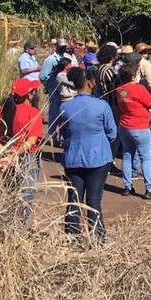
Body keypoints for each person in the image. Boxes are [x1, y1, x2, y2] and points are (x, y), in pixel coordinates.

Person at [59, 67, 117, 243]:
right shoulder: (102, 105)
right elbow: (112, 132)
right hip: (98, 157)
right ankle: (97, 239)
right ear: (90, 82)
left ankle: (72, 238)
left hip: (73, 157)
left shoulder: (66, 106)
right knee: (94, 201)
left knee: (74, 201)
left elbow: (62, 133)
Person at [0, 78, 43, 225]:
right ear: (30, 95)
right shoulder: (34, 113)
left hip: (5, 158)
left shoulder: (0, 111)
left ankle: (6, 226)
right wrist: (15, 153)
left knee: (11, 195)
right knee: (25, 196)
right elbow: (31, 141)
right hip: (27, 158)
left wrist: (6, 151)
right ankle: (18, 231)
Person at [116, 59, 151, 199]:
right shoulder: (138, 89)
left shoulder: (120, 90)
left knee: (127, 155)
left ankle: (127, 186)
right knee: (146, 157)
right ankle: (149, 188)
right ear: (133, 76)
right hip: (139, 126)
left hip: (124, 126)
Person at [18, 41, 41, 107]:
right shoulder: (24, 57)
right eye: (32, 48)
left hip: (33, 83)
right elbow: (24, 70)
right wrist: (36, 69)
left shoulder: (32, 57)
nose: (33, 49)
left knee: (35, 99)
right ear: (26, 49)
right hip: (28, 83)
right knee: (30, 101)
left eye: (34, 48)